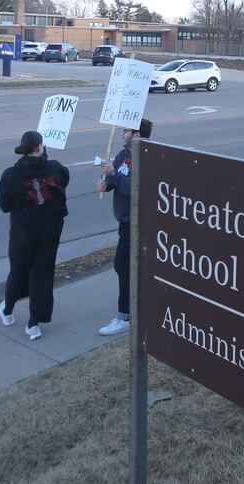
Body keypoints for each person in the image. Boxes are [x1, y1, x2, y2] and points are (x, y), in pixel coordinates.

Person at [0, 131, 70, 341]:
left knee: (18, 272)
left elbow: (4, 205)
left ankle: (8, 311)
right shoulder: (54, 168)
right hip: (50, 230)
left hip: (23, 232)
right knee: (41, 274)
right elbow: (64, 181)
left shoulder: (11, 175)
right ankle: (33, 325)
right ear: (40, 148)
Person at [97, 118, 153, 336]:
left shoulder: (147, 157)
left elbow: (136, 188)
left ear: (137, 135)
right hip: (124, 222)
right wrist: (106, 182)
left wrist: (115, 174)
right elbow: (116, 179)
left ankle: (124, 316)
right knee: (128, 267)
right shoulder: (123, 155)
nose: (122, 134)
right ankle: (134, 309)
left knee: (123, 266)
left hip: (137, 223)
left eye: (126, 131)